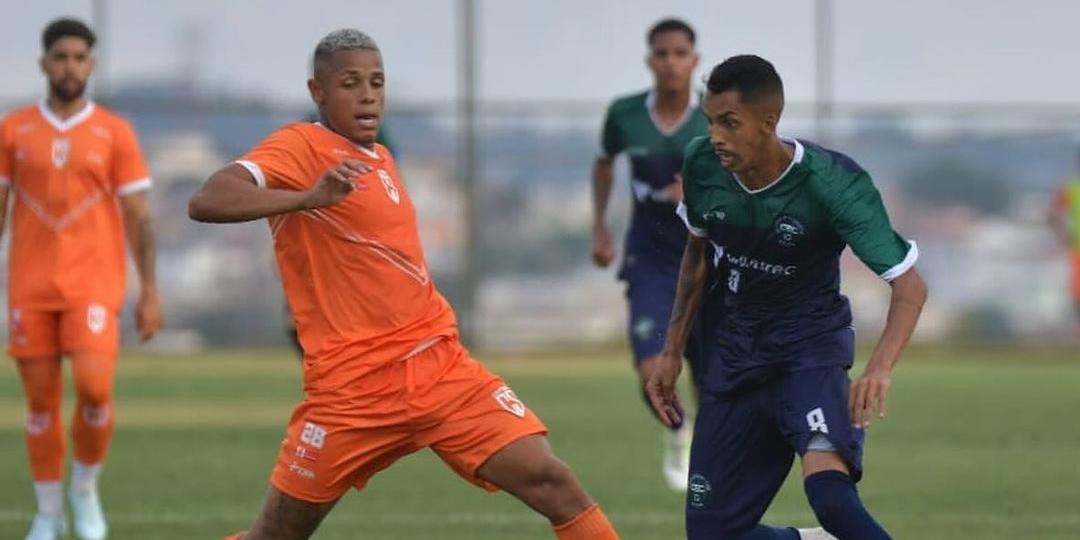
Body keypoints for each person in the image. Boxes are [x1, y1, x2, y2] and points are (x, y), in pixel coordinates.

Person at [188, 29, 620, 540]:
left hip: (441, 372)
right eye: (350, 83)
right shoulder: (301, 145)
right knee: (275, 536)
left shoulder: (382, 159)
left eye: (377, 82)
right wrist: (306, 198)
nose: (368, 95)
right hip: (352, 394)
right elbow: (208, 199)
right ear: (317, 92)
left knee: (554, 483)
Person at [646, 55, 928, 540]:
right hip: (736, 358)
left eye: (730, 123)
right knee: (712, 536)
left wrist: (878, 369)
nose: (716, 136)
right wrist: (672, 352)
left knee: (832, 501)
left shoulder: (832, 184)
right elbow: (697, 256)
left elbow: (909, 286)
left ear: (768, 122)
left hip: (809, 353)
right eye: (711, 121)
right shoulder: (702, 165)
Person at [0, 17, 163, 540]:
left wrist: (151, 291)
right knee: (41, 403)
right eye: (60, 57)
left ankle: (84, 490)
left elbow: (139, 216)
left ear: (91, 65)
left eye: (79, 57)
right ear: (44, 63)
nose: (70, 66)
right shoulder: (13, 129)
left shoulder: (115, 132)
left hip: (94, 284)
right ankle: (47, 513)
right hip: (30, 284)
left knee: (94, 390)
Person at [590, 17, 707, 491]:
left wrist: (696, 192)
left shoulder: (714, 116)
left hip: (706, 258)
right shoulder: (625, 114)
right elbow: (603, 163)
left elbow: (744, 174)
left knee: (710, 372)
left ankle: (708, 453)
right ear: (650, 60)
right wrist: (599, 226)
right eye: (662, 53)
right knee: (650, 372)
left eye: (681, 53)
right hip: (651, 259)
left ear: (694, 61)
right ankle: (679, 430)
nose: (671, 62)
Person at [1049, 151, 1080, 341]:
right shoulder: (1070, 188)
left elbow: (1052, 215)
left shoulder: (1070, 188)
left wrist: (1063, 236)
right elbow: (1053, 215)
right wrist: (1064, 236)